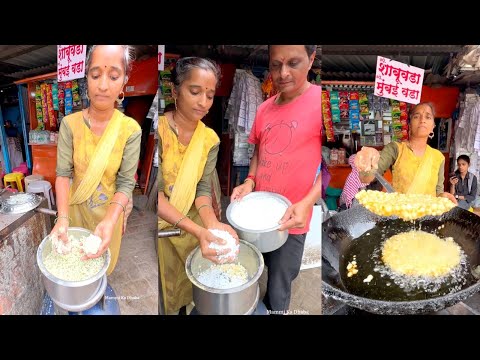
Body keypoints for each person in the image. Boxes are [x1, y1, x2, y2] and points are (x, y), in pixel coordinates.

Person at [230, 45, 322, 313]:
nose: (283, 73)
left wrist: (307, 203)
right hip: (258, 215)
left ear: (311, 59)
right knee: (253, 268)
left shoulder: (321, 102)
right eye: (275, 64)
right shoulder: (264, 109)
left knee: (280, 282)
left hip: (291, 218)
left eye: (293, 63)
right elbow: (260, 149)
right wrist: (249, 181)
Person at [157, 57, 239, 315]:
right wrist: (197, 230)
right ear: (174, 90)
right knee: (167, 291)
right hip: (163, 230)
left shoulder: (209, 139)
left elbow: (202, 189)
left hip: (194, 230)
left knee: (192, 288)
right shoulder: (158, 130)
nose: (203, 102)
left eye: (210, 95)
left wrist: (211, 224)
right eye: (195, 92)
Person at [51, 45, 142, 275]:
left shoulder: (130, 130)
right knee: (74, 268)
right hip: (75, 212)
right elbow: (62, 174)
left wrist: (111, 221)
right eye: (95, 75)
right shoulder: (69, 125)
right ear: (86, 78)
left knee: (102, 269)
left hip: (110, 214)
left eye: (113, 76)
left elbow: (125, 183)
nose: (102, 85)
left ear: (124, 80)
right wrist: (62, 219)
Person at [355, 102, 457, 204]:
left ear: (433, 126)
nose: (422, 120)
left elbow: (438, 193)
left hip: (428, 216)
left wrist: (443, 196)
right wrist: (367, 162)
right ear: (409, 124)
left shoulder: (438, 157)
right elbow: (366, 177)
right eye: (416, 117)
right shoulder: (395, 149)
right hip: (400, 215)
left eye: (428, 117)